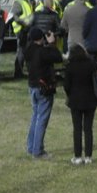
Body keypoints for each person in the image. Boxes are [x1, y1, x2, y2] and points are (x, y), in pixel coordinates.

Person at [25, 29, 61, 159]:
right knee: (42, 119)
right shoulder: (43, 51)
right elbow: (58, 57)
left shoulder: (28, 50)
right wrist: (52, 44)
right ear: (41, 38)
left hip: (32, 86)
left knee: (35, 117)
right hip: (43, 87)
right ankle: (38, 150)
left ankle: (31, 146)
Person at [63, 43, 97, 165]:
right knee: (88, 129)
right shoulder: (91, 64)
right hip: (91, 100)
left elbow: (66, 86)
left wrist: (70, 94)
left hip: (75, 101)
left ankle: (78, 156)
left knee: (77, 129)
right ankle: (89, 156)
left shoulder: (70, 67)